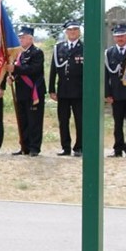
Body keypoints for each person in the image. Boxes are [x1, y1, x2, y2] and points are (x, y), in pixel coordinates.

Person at [49, 20, 84, 157]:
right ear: (66, 32)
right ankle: (66, 147)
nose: (73, 32)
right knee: (63, 120)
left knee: (80, 120)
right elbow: (53, 69)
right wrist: (51, 89)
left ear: (79, 32)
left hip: (79, 90)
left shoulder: (84, 47)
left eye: (75, 29)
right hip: (63, 90)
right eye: (70, 30)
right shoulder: (59, 48)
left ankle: (79, 147)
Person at [104, 24, 126, 158]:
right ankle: (117, 149)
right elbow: (106, 74)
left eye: (122, 36)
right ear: (114, 38)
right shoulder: (109, 53)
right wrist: (107, 93)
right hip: (116, 94)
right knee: (117, 123)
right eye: (117, 36)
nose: (120, 38)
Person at [10, 26, 46, 156]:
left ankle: (34, 147)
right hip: (21, 93)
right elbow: (18, 71)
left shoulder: (37, 53)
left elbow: (33, 69)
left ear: (30, 39)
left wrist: (15, 69)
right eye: (20, 37)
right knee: (23, 120)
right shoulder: (19, 54)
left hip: (33, 92)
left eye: (23, 37)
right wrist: (12, 77)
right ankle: (24, 146)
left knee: (34, 121)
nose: (21, 39)